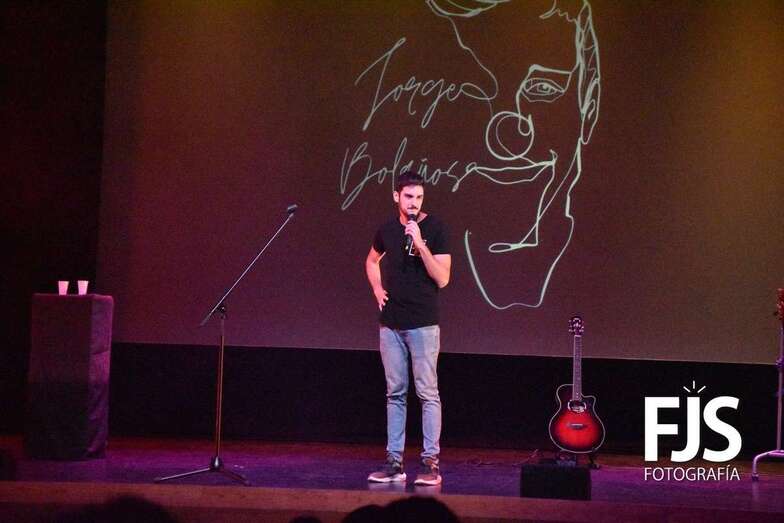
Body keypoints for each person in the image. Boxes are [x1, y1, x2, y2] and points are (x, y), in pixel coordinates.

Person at [365, 171, 451, 486]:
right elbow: (371, 261)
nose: (414, 203)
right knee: (395, 394)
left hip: (423, 324)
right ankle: (394, 463)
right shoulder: (387, 229)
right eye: (409, 197)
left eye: (419, 197)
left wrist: (421, 244)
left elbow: (443, 278)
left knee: (427, 393)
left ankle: (430, 464)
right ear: (396, 196)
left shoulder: (436, 229)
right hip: (391, 325)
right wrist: (378, 289)